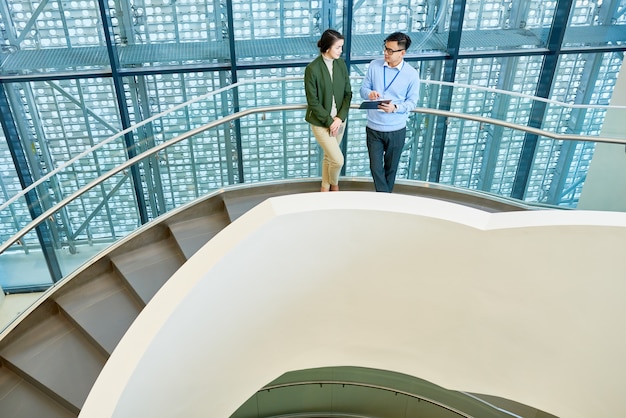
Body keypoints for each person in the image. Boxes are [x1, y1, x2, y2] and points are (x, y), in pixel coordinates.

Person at [360, 32, 420, 193]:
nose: (386, 53)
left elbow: (412, 103)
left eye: (390, 51)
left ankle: (383, 199)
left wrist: (395, 108)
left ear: (402, 53)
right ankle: (385, 198)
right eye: (385, 48)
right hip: (374, 128)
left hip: (396, 130)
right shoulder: (374, 65)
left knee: (391, 169)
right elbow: (363, 89)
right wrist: (369, 94)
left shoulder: (412, 74)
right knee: (375, 167)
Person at [305, 29, 353, 192]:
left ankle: (325, 188)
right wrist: (330, 121)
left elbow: (348, 94)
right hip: (320, 122)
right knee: (338, 160)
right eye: (338, 47)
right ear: (327, 48)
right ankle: (335, 184)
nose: (341, 50)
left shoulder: (340, 64)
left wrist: (339, 118)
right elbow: (313, 102)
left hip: (339, 121)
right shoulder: (312, 69)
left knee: (329, 157)